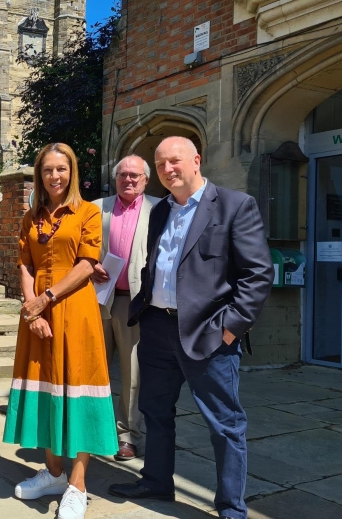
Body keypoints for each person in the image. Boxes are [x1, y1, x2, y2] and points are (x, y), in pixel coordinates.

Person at [108, 136, 274, 519]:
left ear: (196, 160)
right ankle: (157, 482)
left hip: (209, 334)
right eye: (161, 163)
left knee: (225, 424)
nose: (168, 169)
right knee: (155, 411)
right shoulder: (161, 211)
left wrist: (230, 328)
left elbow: (258, 274)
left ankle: (231, 507)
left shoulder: (234, 205)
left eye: (175, 161)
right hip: (156, 329)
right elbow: (156, 264)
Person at [3, 143, 119, 519]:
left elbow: (87, 264)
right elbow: (24, 264)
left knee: (79, 389)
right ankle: (53, 473)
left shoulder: (87, 212)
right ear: (40, 174)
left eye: (62, 169)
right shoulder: (30, 217)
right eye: (48, 170)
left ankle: (78, 485)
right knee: (44, 388)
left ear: (72, 172)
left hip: (76, 312)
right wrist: (32, 308)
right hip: (38, 315)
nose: (55, 176)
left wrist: (46, 297)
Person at [91, 155, 160, 461]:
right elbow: (80, 247)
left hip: (133, 303)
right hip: (96, 299)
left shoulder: (160, 209)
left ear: (146, 179)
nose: (128, 180)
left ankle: (126, 434)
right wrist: (90, 263)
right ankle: (93, 428)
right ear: (115, 177)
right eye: (123, 175)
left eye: (135, 175)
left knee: (132, 374)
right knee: (94, 370)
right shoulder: (95, 208)